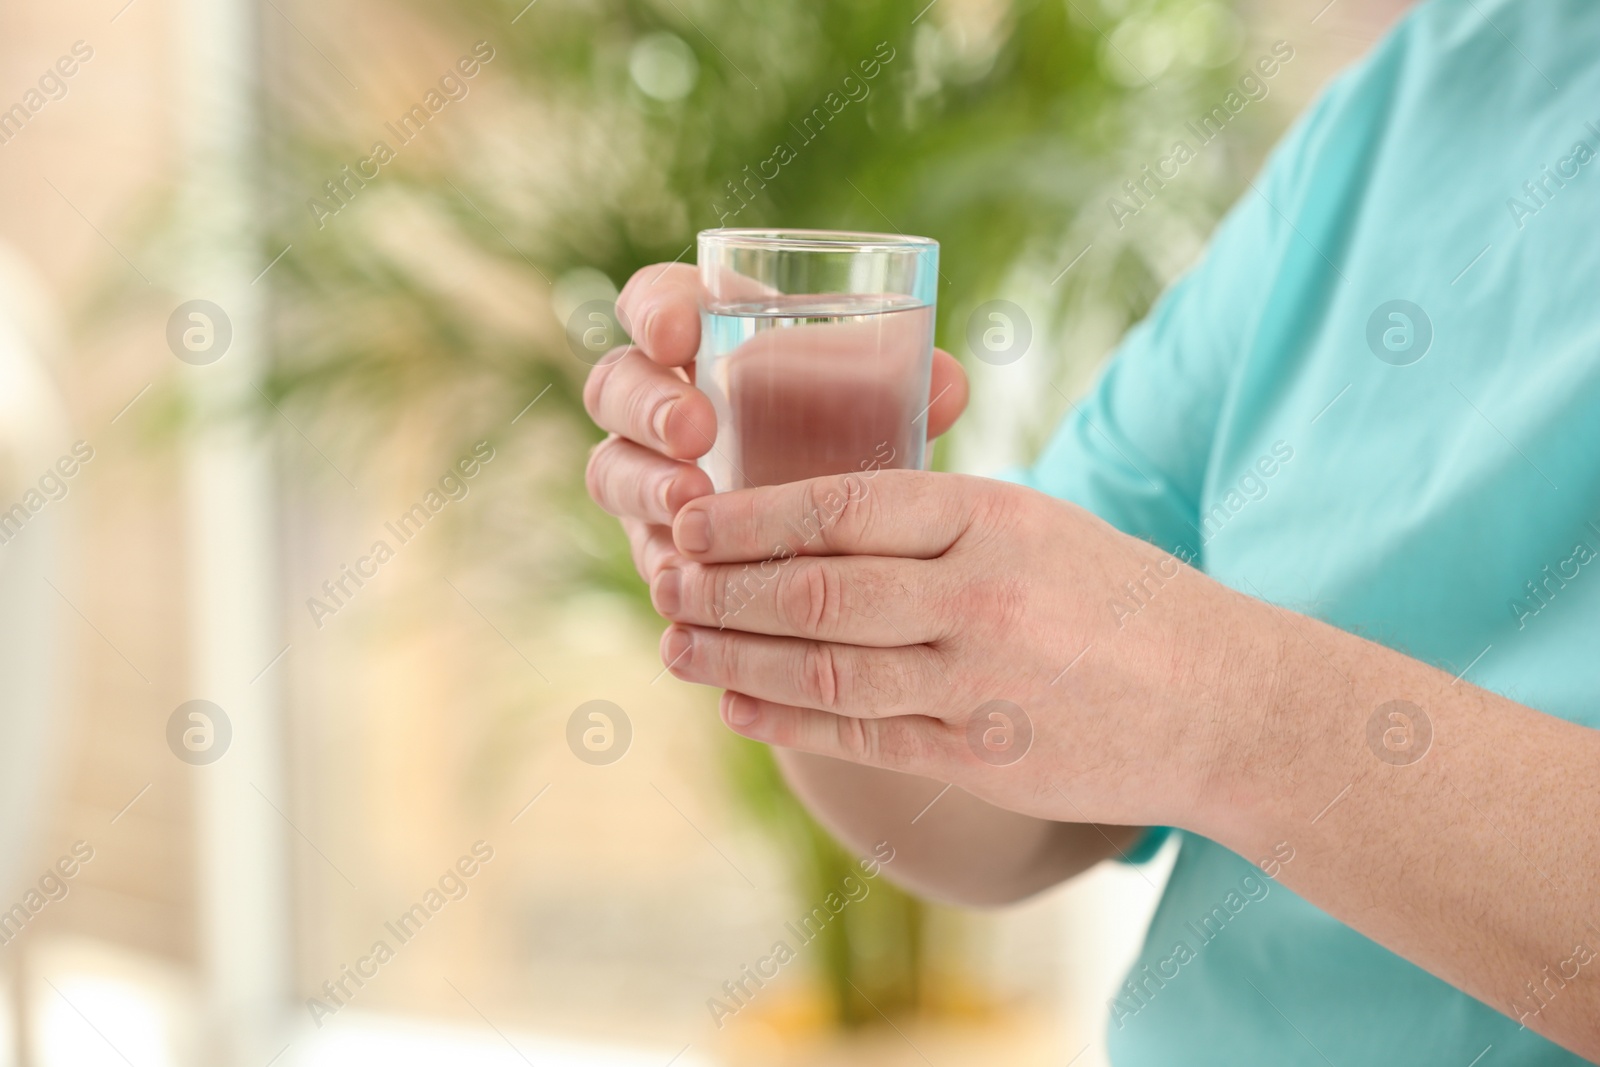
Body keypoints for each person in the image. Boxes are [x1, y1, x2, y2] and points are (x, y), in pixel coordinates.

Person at [583, 0, 1600, 1061]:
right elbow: (1007, 809)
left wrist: (1222, 711)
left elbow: (1167, 696)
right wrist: (798, 581)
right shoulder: (1419, 95)